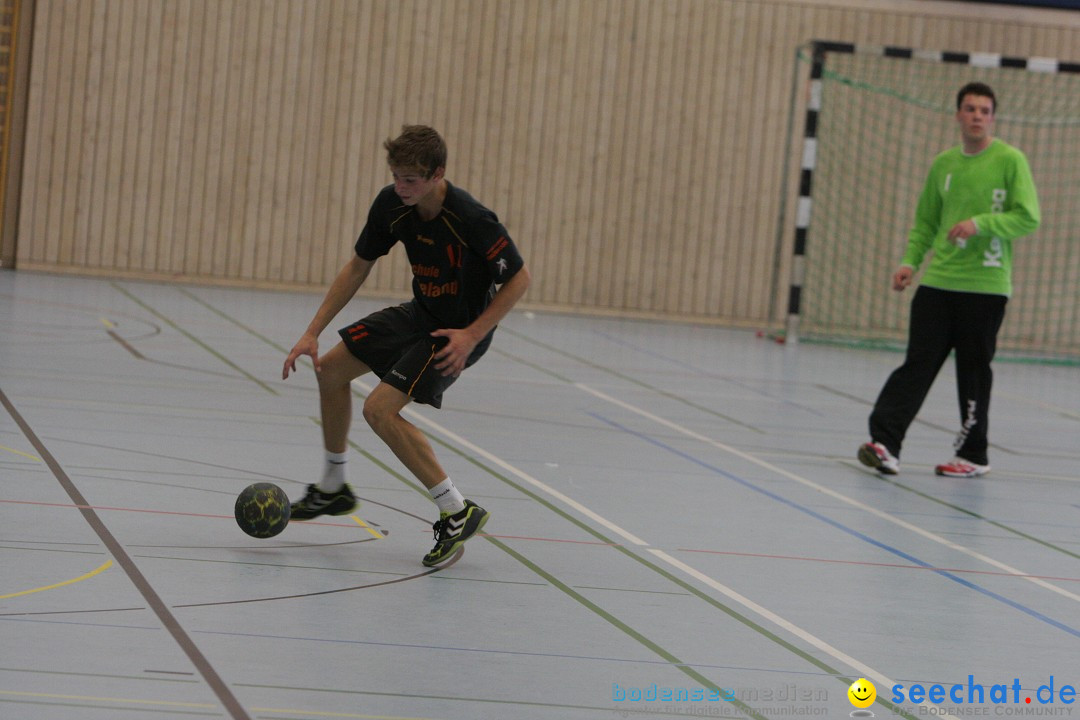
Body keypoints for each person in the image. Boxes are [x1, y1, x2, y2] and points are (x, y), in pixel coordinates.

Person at [282, 125, 530, 565]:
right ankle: (334, 486)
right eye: (396, 177)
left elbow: (519, 278)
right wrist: (311, 331)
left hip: (458, 333)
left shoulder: (470, 217)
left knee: (379, 409)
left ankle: (456, 509)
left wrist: (473, 335)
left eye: (410, 180)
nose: (400, 187)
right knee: (331, 369)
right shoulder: (392, 205)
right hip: (421, 313)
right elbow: (359, 264)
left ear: (437, 174)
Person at [857, 82, 1040, 479]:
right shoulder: (943, 164)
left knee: (973, 371)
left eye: (984, 110)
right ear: (958, 114)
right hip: (938, 284)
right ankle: (885, 445)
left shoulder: (1010, 160)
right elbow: (926, 221)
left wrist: (981, 223)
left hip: (985, 288)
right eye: (970, 108)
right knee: (918, 364)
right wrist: (910, 262)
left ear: (993, 117)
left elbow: (1029, 217)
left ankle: (974, 456)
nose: (977, 115)